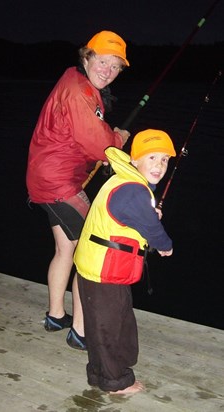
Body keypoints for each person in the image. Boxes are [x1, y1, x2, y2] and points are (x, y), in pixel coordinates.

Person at [26, 30, 131, 350]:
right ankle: (81, 332)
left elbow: (85, 129)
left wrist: (106, 132)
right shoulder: (77, 92)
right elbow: (100, 146)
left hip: (46, 179)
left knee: (65, 249)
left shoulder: (76, 81)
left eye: (115, 66)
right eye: (102, 61)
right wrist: (119, 139)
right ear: (86, 57)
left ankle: (56, 315)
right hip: (59, 184)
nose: (108, 70)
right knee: (91, 254)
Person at [74, 129, 176, 393]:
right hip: (103, 270)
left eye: (165, 160)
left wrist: (147, 214)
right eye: (152, 157)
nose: (159, 165)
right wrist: (165, 246)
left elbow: (128, 218)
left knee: (111, 321)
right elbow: (153, 232)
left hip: (101, 266)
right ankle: (114, 382)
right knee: (108, 328)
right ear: (135, 160)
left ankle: (101, 373)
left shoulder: (126, 181)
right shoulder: (134, 191)